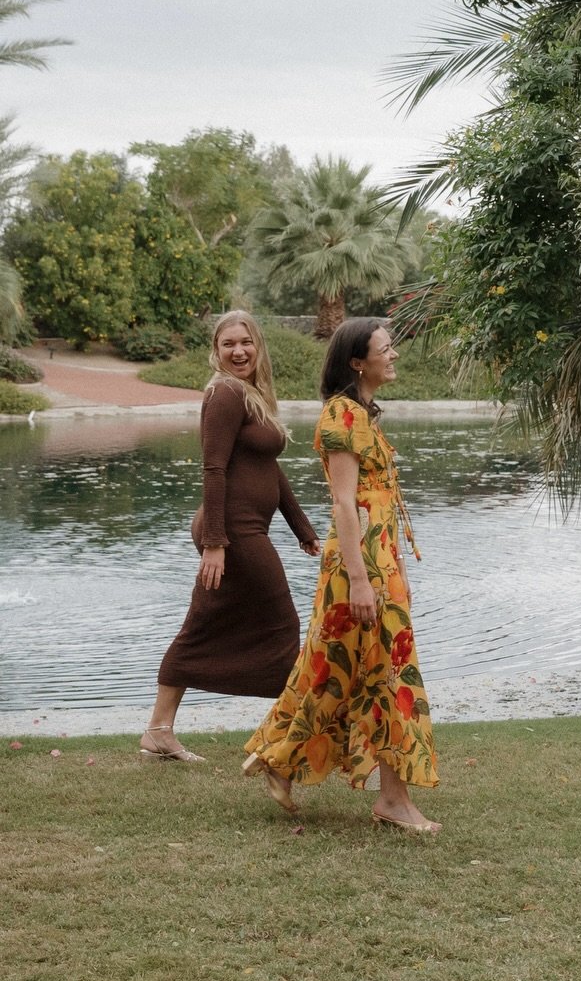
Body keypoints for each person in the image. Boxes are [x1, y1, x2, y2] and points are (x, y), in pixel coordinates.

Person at [242, 317, 440, 831]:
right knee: (380, 669)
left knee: (343, 667)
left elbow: (379, 507)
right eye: (385, 348)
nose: (394, 355)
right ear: (358, 361)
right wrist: (360, 577)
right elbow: (345, 504)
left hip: (376, 559)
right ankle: (391, 800)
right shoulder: (342, 415)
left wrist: (393, 568)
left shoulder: (364, 414)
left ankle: (280, 758)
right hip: (359, 564)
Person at [143, 312, 320, 762]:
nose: (238, 351)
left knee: (204, 623)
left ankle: (158, 730)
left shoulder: (252, 394)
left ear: (258, 346)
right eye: (228, 344)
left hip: (243, 528)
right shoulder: (224, 392)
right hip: (234, 532)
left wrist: (302, 528)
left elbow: (269, 471)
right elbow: (213, 468)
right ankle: (293, 734)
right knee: (281, 622)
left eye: (246, 342)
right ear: (216, 350)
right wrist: (216, 544)